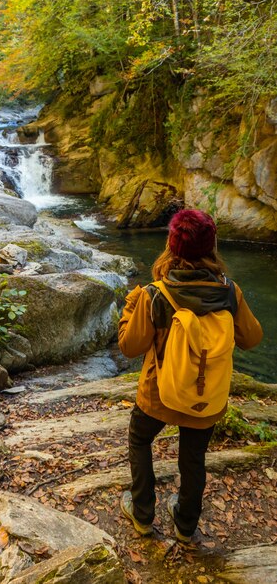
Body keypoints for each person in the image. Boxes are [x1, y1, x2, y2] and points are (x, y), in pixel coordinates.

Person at [118, 209, 263, 543]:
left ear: (172, 247)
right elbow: (252, 339)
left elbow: (129, 346)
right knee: (193, 458)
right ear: (212, 247)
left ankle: (142, 516)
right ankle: (185, 526)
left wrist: (130, 307)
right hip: (206, 396)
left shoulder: (155, 293)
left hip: (159, 394)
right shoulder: (229, 292)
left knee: (140, 439)